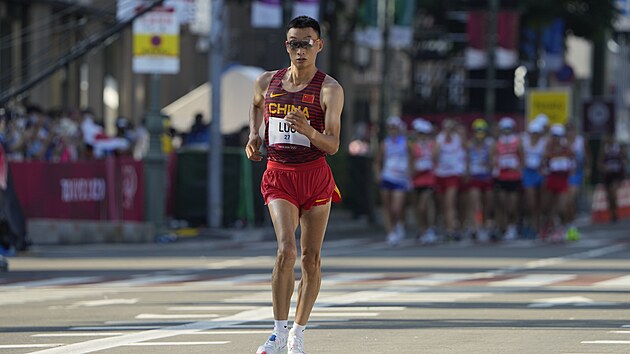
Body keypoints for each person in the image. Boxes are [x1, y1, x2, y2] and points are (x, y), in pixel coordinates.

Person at [245, 16, 344, 354]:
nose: (300, 49)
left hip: (315, 176)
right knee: (285, 250)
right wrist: (253, 136)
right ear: (286, 46)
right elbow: (257, 106)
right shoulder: (266, 81)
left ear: (319, 45)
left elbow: (332, 145)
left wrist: (308, 131)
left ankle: (297, 333)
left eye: (306, 42)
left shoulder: (329, 88)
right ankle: (276, 332)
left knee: (311, 258)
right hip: (279, 174)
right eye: (293, 43)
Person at [374, 116, 410, 246]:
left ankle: (399, 223)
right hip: (387, 176)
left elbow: (411, 160)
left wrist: (410, 176)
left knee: (396, 207)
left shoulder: (405, 143)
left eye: (395, 128)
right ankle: (391, 232)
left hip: (400, 178)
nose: (393, 130)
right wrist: (378, 175)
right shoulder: (385, 143)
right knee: (387, 206)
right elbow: (378, 161)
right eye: (391, 128)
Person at [433, 118, 466, 241]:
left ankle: (451, 230)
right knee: (443, 205)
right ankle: (448, 226)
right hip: (441, 174)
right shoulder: (439, 139)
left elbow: (465, 150)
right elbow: (434, 156)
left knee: (450, 203)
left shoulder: (458, 138)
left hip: (453, 174)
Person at [541, 124, 575, 241]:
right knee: (550, 206)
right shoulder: (548, 149)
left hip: (563, 180)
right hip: (552, 180)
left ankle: (566, 226)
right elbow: (543, 164)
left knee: (563, 206)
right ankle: (553, 228)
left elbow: (573, 162)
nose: (556, 139)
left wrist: (570, 170)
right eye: (554, 136)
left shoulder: (567, 149)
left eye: (558, 136)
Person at [493, 117, 523, 241]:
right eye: (504, 129)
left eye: (508, 129)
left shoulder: (517, 141)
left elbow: (522, 157)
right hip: (501, 177)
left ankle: (512, 226)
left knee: (512, 205)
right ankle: (503, 227)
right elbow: (493, 158)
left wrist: (518, 169)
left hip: (514, 177)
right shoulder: (497, 142)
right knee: (502, 204)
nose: (506, 131)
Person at [465, 118, 495, 242]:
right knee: (476, 205)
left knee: (488, 205)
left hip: (486, 177)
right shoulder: (470, 145)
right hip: (475, 177)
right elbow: (466, 161)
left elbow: (492, 162)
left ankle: (488, 225)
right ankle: (477, 227)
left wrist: (487, 164)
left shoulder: (489, 144)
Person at [409, 118, 437, 244]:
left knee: (425, 205)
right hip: (416, 179)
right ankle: (422, 229)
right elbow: (411, 162)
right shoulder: (413, 146)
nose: (420, 136)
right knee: (417, 207)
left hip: (429, 179)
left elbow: (436, 160)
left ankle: (430, 229)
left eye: (422, 133)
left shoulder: (432, 145)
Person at [521, 120, 547, 239]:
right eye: (533, 132)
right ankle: (530, 225)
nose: (535, 135)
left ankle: (538, 226)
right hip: (528, 173)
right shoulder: (524, 142)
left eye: (537, 132)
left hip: (539, 173)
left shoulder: (543, 143)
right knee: (530, 203)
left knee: (540, 203)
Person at [566, 122, 590, 239]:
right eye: (568, 130)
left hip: (576, 174)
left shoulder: (580, 141)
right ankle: (566, 224)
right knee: (564, 202)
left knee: (570, 199)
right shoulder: (562, 141)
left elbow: (587, 156)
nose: (570, 133)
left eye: (572, 130)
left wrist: (587, 169)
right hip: (563, 174)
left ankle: (571, 226)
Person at [597, 134, 627, 223]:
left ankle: (615, 212)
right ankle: (612, 213)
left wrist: (623, 163)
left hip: (617, 175)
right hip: (607, 176)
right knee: (609, 196)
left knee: (613, 192)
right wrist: (604, 167)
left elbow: (624, 159)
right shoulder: (604, 149)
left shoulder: (618, 148)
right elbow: (599, 163)